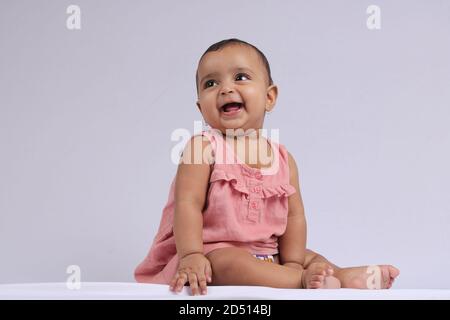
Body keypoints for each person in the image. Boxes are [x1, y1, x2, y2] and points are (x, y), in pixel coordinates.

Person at [134, 38, 400, 295]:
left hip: (267, 254)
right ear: (201, 108)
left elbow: (295, 218)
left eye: (240, 77)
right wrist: (191, 254)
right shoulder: (203, 148)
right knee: (230, 263)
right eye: (211, 83)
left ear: (269, 97)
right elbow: (187, 204)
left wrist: (293, 261)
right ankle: (300, 282)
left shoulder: (284, 159)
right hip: (212, 253)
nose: (225, 89)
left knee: (310, 256)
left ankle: (338, 275)